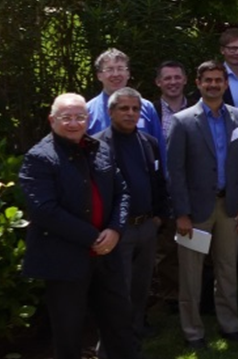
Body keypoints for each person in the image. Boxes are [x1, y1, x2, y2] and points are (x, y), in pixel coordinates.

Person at [21, 93, 140, 359]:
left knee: (120, 326)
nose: (74, 123)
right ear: (52, 120)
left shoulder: (100, 148)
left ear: (88, 118)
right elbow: (44, 211)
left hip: (107, 257)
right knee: (69, 333)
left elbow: (122, 192)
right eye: (66, 117)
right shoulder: (39, 158)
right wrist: (94, 238)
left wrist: (115, 230)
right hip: (65, 261)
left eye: (80, 116)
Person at [167, 62, 238, 349]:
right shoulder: (183, 121)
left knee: (227, 269)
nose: (214, 85)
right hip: (195, 211)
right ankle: (193, 331)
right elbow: (175, 171)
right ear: (198, 82)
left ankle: (229, 324)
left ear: (226, 84)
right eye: (208, 80)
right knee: (191, 274)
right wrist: (181, 213)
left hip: (230, 207)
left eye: (218, 80)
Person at [95, 88, 168, 343]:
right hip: (118, 230)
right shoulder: (96, 145)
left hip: (147, 226)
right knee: (118, 289)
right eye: (124, 108)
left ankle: (136, 329)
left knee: (141, 285)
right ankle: (116, 340)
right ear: (110, 111)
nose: (130, 113)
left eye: (135, 109)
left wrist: (159, 216)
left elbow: (158, 182)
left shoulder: (149, 142)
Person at [86, 48, 163, 142]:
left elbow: (159, 148)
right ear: (99, 75)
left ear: (128, 74)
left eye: (120, 69)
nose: (115, 74)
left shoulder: (146, 108)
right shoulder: (88, 111)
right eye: (109, 69)